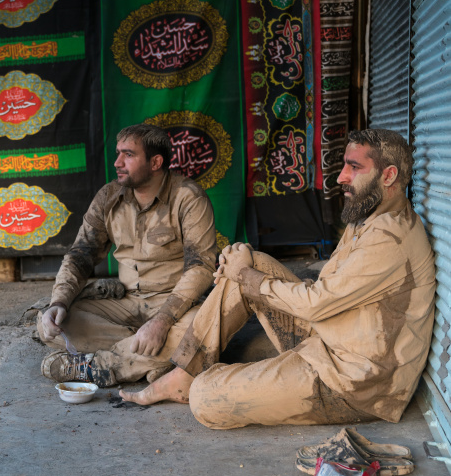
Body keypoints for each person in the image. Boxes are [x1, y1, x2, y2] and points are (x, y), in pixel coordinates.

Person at [120, 128, 436, 430]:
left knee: (205, 397)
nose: (341, 177)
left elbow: (315, 304)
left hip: (353, 384)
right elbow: (323, 290)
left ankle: (199, 380)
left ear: (389, 176)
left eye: (354, 167)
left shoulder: (389, 238)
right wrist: (242, 267)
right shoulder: (367, 217)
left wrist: (244, 275)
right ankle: (184, 373)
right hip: (328, 341)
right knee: (252, 262)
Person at [38, 123, 216, 387]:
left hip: (175, 305)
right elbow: (80, 255)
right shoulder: (108, 196)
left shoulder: (188, 198)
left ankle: (95, 366)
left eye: (128, 155)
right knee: (50, 324)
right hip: (125, 302)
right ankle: (155, 358)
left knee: (201, 330)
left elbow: (201, 267)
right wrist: (59, 302)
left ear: (156, 162)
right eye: (118, 153)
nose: (118, 162)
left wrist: (163, 321)